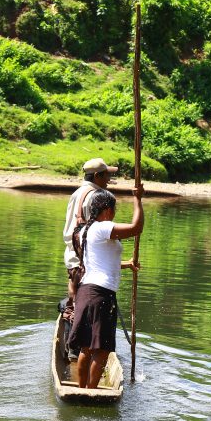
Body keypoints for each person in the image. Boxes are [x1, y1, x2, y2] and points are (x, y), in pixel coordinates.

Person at [67, 185, 143, 389]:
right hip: (100, 294)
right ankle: (91, 392)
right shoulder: (102, 227)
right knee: (100, 350)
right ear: (107, 209)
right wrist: (138, 199)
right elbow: (136, 228)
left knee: (85, 347)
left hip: (86, 292)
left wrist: (126, 264)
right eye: (114, 208)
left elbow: (99, 262)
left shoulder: (85, 230)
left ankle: (82, 390)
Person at [61, 158, 118, 359]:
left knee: (75, 301)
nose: (110, 179)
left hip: (73, 254)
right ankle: (78, 348)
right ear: (97, 176)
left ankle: (74, 348)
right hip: (83, 258)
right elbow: (94, 229)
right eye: (107, 175)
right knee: (81, 305)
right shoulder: (94, 196)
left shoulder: (78, 192)